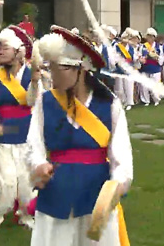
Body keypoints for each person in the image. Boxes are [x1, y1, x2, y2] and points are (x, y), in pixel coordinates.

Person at [26, 25, 133, 246]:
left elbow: (121, 157)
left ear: (80, 69)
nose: (51, 73)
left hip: (97, 194)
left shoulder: (109, 104)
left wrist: (117, 186)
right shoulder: (45, 102)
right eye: (50, 67)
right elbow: (33, 145)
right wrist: (38, 165)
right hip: (56, 192)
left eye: (57, 68)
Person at [0, 25, 41, 231]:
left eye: (4, 47)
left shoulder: (32, 75)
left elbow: (34, 101)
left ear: (18, 51)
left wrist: (34, 83)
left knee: (26, 182)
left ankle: (25, 215)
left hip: (26, 133)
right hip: (1, 134)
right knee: (7, 182)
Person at [140, 27, 164, 106]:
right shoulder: (143, 46)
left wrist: (156, 57)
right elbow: (140, 56)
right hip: (145, 67)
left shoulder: (158, 46)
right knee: (144, 86)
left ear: (154, 37)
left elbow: (161, 58)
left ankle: (156, 99)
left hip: (155, 68)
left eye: (151, 36)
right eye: (148, 36)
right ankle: (146, 100)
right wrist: (144, 58)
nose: (149, 38)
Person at [114, 30, 137, 111]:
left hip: (129, 70)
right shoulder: (116, 46)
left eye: (128, 38)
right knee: (119, 87)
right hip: (119, 69)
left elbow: (134, 58)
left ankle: (129, 103)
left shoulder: (131, 48)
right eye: (125, 38)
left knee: (129, 87)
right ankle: (121, 102)